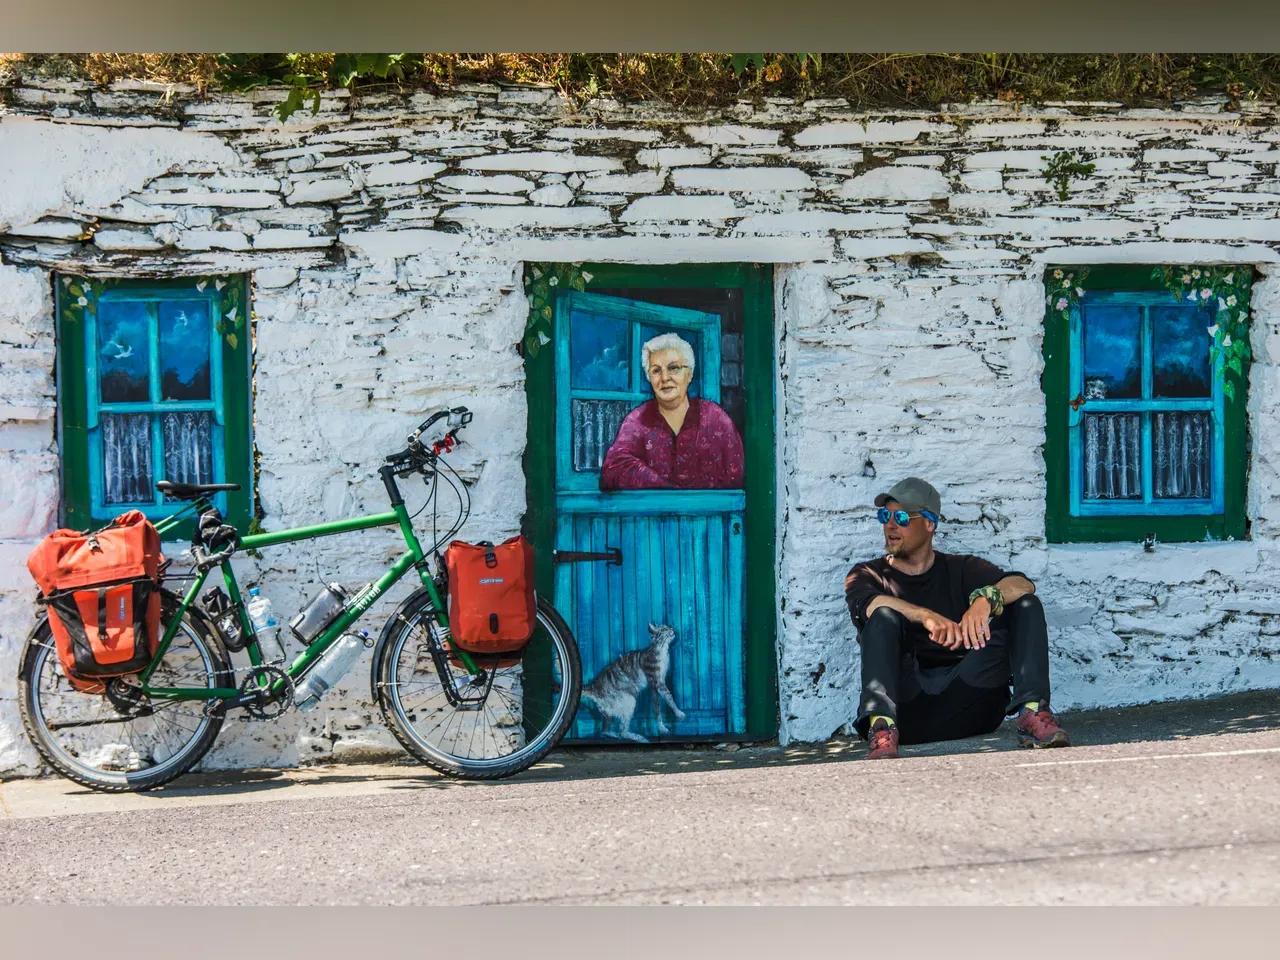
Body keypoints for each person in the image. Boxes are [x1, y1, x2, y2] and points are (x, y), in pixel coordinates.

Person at [844, 477, 1071, 760]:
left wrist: (985, 600)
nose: (890, 525)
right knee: (882, 616)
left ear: (929, 523)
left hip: (973, 705)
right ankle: (881, 728)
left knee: (1024, 604)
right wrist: (926, 616)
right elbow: (869, 604)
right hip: (908, 715)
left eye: (901, 516)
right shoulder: (867, 574)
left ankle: (1033, 713)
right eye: (884, 515)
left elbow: (1023, 585)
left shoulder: (961, 568)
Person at [600, 332, 744, 491]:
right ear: (649, 377)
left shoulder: (716, 419)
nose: (664, 378)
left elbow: (736, 478)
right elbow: (613, 469)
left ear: (689, 375)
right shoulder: (637, 420)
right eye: (656, 371)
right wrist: (668, 490)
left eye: (673, 368)